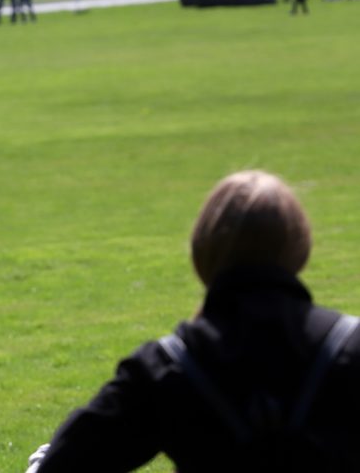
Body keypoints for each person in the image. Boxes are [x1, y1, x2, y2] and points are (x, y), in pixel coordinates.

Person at [27, 170, 360, 473]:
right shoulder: (351, 347)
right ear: (300, 247)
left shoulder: (166, 368)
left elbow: (62, 465)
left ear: (202, 251)